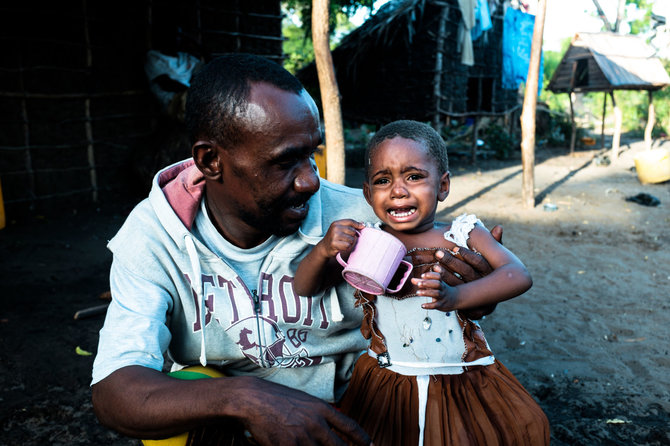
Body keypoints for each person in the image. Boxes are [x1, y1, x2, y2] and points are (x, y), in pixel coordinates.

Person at [91, 54, 502, 446]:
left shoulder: (365, 222)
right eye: (285, 162)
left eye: (312, 155)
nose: (309, 181)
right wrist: (247, 399)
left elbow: (436, 311)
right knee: (180, 409)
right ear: (210, 161)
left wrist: (463, 294)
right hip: (237, 418)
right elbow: (116, 390)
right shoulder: (154, 238)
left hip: (360, 410)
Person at [294, 120, 550, 446]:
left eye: (414, 177)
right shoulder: (367, 239)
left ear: (443, 186)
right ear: (369, 194)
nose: (398, 190)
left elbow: (517, 274)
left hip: (456, 379)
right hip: (388, 379)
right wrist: (323, 251)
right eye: (383, 180)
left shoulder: (462, 233)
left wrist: (457, 296)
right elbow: (305, 289)